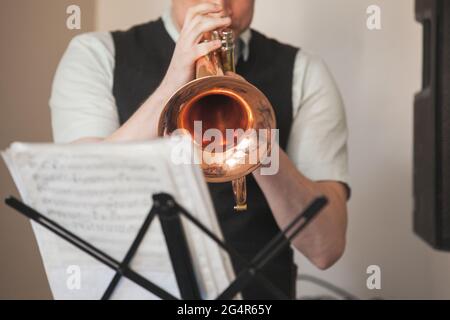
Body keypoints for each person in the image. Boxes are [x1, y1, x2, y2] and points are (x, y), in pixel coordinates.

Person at [50, 0, 350, 299]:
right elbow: (84, 189)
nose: (219, 4)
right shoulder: (97, 53)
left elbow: (326, 248)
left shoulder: (303, 71)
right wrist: (173, 86)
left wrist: (258, 141)